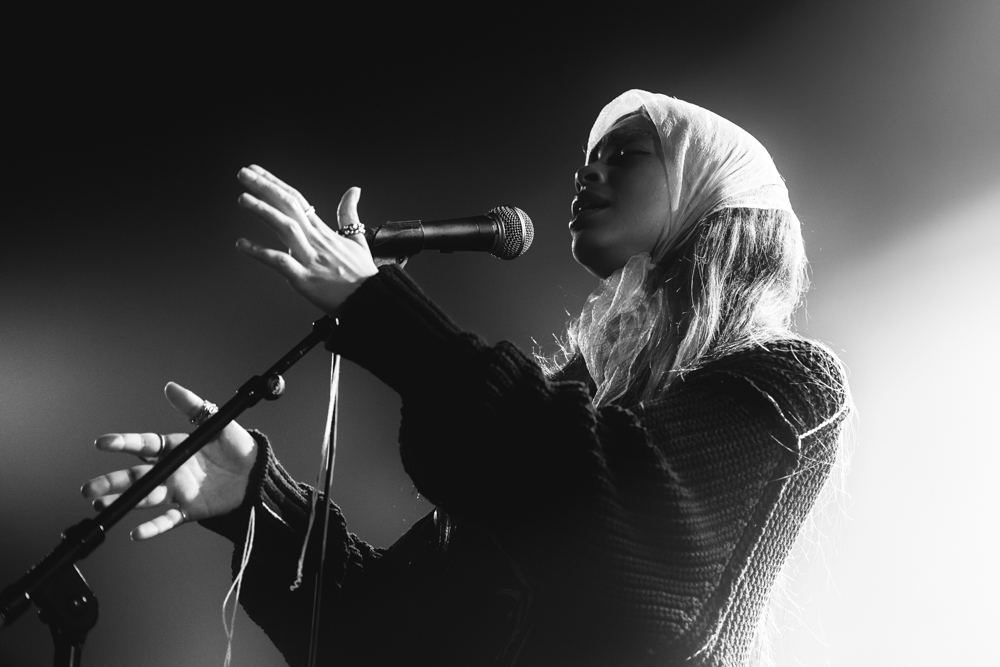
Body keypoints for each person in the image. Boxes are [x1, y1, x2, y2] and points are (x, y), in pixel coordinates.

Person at [81, 90, 851, 667]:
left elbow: (625, 545)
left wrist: (383, 310)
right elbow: (379, 633)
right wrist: (260, 500)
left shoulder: (792, 385)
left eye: (626, 153)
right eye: (589, 156)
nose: (587, 170)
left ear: (712, 188)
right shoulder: (566, 408)